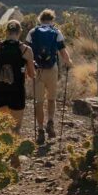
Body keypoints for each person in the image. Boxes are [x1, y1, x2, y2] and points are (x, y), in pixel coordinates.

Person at [0, 20, 34, 146]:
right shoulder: (26, 50)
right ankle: (13, 153)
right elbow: (32, 74)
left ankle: (1, 152)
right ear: (20, 32)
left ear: (6, 32)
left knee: (2, 126)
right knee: (15, 128)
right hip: (17, 91)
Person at [26, 9, 72, 144]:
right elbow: (63, 52)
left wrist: (27, 70)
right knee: (51, 99)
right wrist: (69, 63)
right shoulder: (56, 32)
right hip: (52, 69)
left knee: (38, 102)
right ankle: (50, 122)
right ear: (52, 19)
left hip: (37, 71)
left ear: (40, 19)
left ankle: (40, 130)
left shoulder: (32, 32)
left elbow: (27, 52)